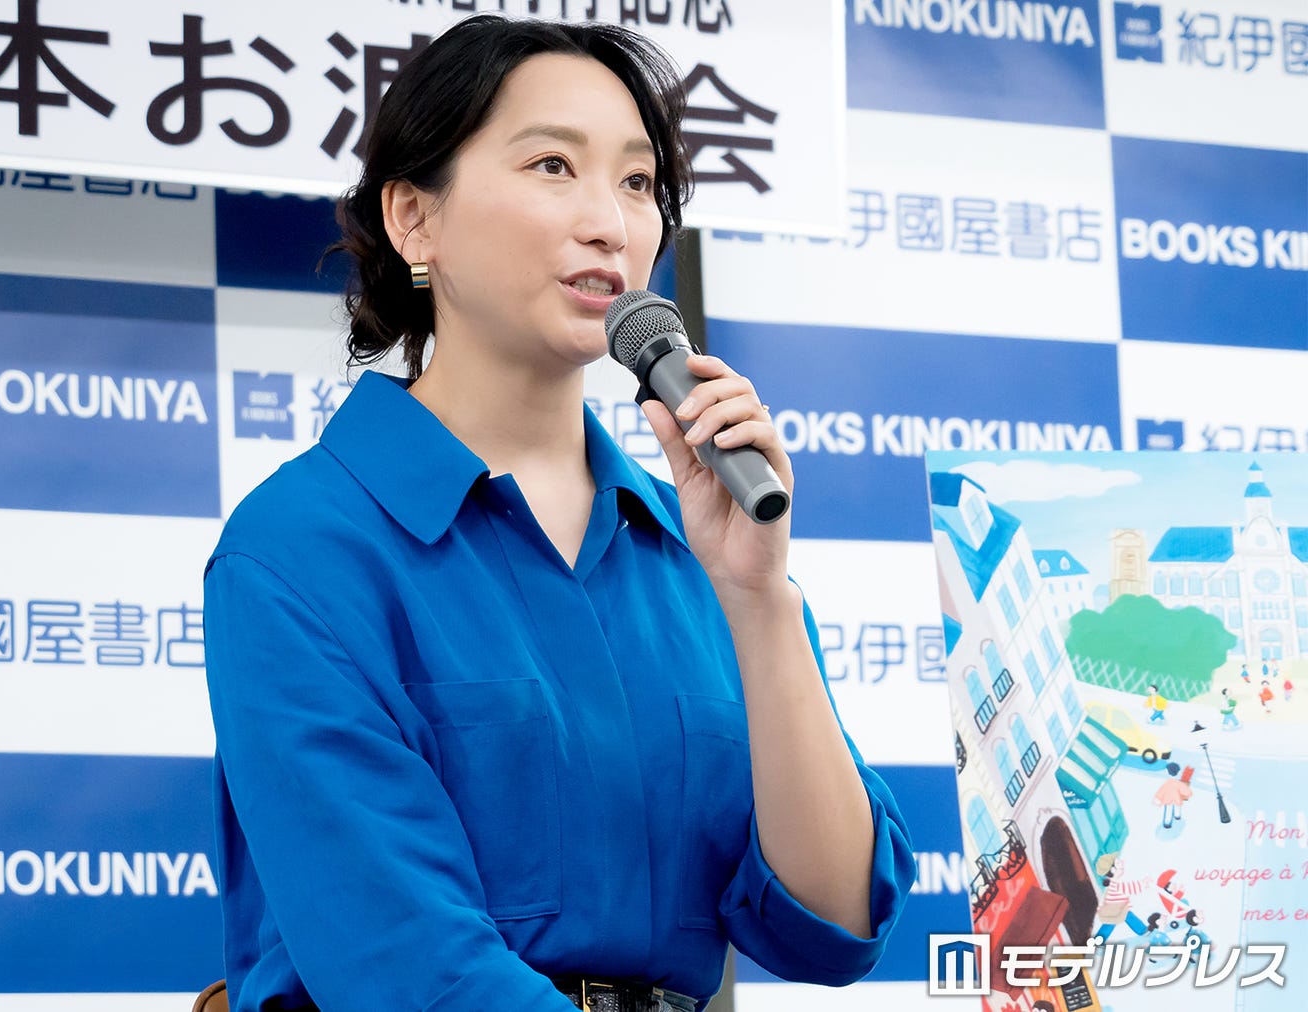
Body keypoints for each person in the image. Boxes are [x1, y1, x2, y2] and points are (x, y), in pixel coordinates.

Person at [202, 15, 913, 1012]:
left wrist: (758, 600)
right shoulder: (302, 548)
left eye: (637, 181)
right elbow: (409, 966)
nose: (610, 222)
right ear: (414, 219)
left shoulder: (693, 543)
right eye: (552, 166)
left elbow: (833, 923)